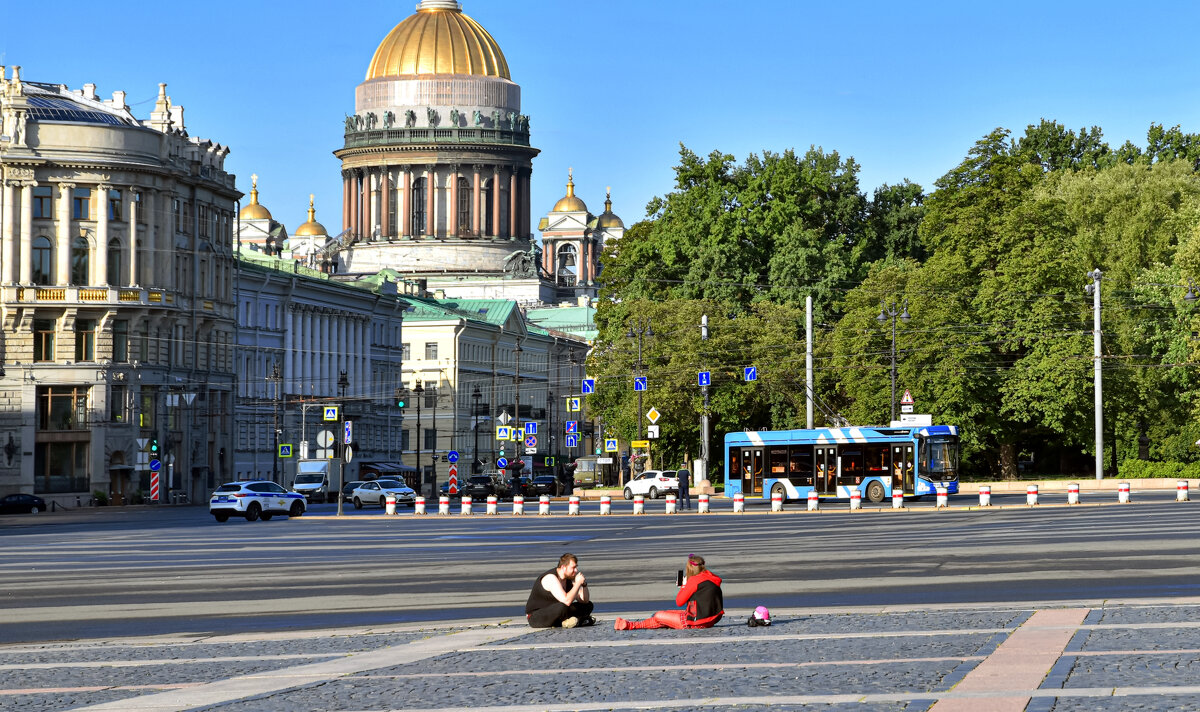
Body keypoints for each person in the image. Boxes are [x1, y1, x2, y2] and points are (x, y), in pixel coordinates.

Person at [614, 554, 723, 630]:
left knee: (658, 616)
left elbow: (679, 602)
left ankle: (630, 625)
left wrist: (683, 586)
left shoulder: (694, 581)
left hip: (695, 622)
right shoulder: (713, 578)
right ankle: (630, 625)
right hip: (711, 619)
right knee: (668, 613)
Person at [525, 552, 595, 628]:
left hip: (557, 612)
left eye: (576, 567)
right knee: (562, 606)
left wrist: (584, 585)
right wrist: (577, 583)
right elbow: (566, 601)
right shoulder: (550, 578)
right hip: (537, 616)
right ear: (563, 567)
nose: (576, 570)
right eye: (573, 568)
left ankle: (571, 621)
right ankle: (577, 620)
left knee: (588, 605)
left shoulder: (568, 579)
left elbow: (584, 600)